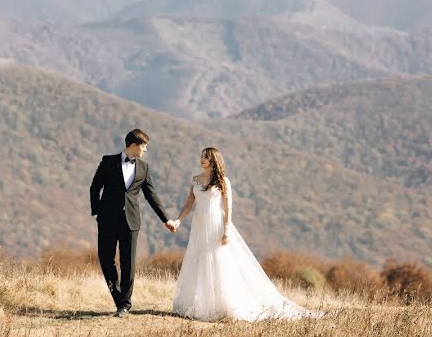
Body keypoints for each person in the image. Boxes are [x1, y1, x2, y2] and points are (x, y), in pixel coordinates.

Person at [169, 147, 320, 321]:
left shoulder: (223, 181)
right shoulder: (195, 180)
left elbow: (228, 207)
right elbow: (189, 203)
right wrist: (178, 220)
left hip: (216, 225)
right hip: (199, 226)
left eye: (206, 157)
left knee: (217, 262)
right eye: (201, 156)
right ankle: (199, 304)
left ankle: (221, 305)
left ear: (214, 160)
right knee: (199, 259)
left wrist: (226, 230)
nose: (202, 159)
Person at [90, 128, 178, 317]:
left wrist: (166, 219)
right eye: (143, 147)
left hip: (131, 221)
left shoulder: (144, 167)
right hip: (107, 220)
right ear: (133, 146)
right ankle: (118, 297)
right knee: (105, 259)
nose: (145, 150)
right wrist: (97, 213)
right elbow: (94, 187)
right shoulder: (108, 162)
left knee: (128, 263)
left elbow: (151, 195)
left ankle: (124, 305)